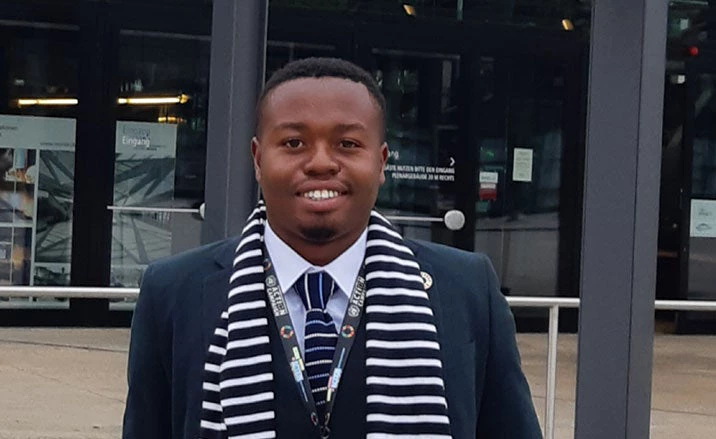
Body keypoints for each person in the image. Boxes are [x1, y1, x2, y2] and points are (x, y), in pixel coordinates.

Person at [123, 57, 542, 439]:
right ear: (257, 159)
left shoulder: (466, 288)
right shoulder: (173, 292)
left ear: (381, 162)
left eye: (347, 144)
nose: (321, 162)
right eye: (293, 143)